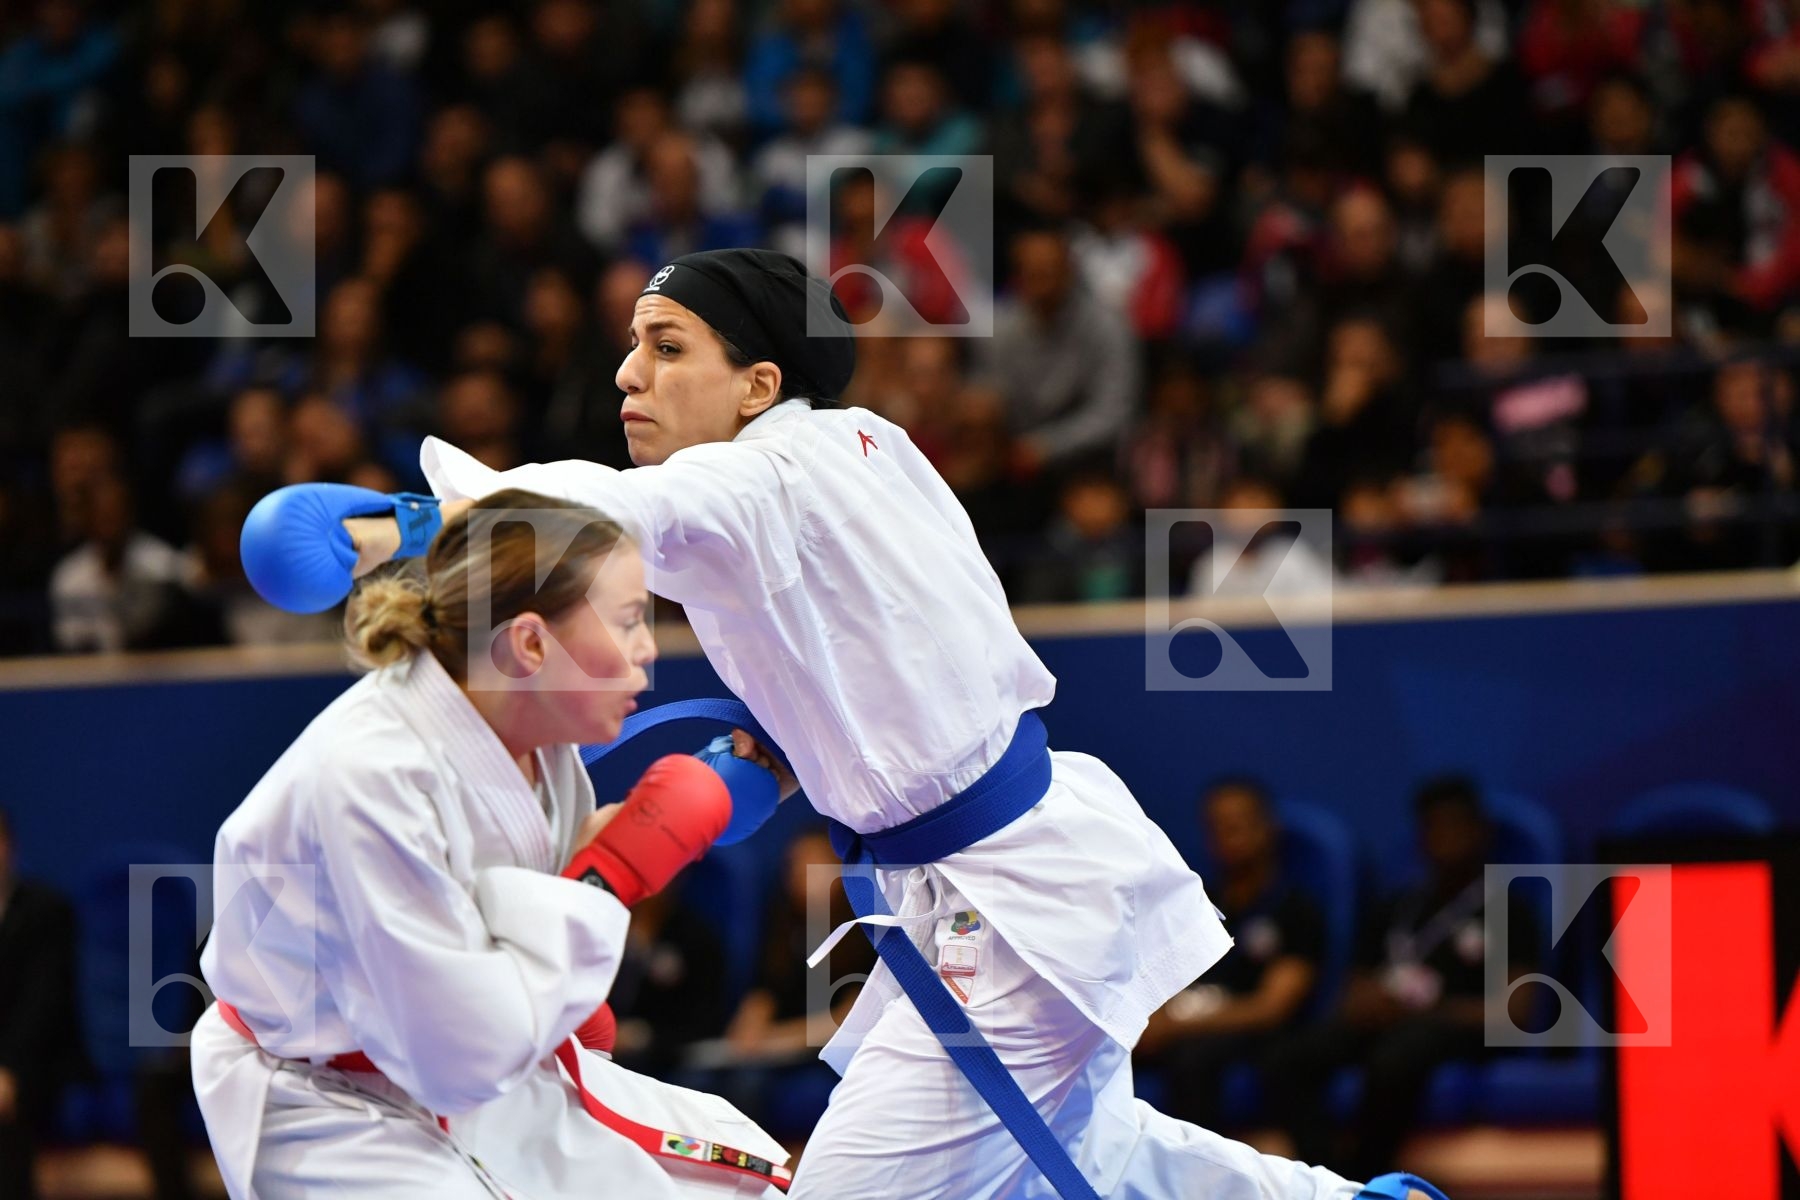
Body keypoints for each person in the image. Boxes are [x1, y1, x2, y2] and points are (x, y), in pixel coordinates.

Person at [250, 248, 1446, 1200]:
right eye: (631, 348)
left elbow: (610, 514)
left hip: (1009, 906)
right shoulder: (869, 451)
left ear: (759, 384)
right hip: (1006, 869)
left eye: (666, 347)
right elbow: (864, 661)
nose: (627, 376)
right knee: (1091, 1158)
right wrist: (774, 756)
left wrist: (396, 530)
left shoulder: (762, 477)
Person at [194, 489, 795, 1199]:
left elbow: (508, 883)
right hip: (327, 1100)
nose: (647, 648)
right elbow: (455, 1057)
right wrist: (608, 875)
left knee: (743, 1184)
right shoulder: (371, 780)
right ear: (530, 644)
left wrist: (672, 815)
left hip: (470, 1066)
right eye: (630, 620)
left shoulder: (533, 736)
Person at [1263, 776, 1535, 1181]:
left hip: (1451, 1029)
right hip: (1387, 1022)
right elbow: (1354, 989)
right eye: (1434, 827)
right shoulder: (1398, 906)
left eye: (1456, 825)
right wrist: (1368, 1002)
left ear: (1480, 832)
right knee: (1286, 1058)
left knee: (1396, 1057)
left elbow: (1514, 1012)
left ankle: (1365, 1177)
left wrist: (1428, 1010)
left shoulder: (1510, 910)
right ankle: (1329, 1174)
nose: (1445, 837)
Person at [1136, 778, 1325, 1132]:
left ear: (1268, 828)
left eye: (1238, 825)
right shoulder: (1195, 903)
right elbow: (1159, 975)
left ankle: (1198, 1168)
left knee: (1192, 1059)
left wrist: (1175, 1027)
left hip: (1251, 1036)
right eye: (1217, 827)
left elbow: (1271, 1009)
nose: (1228, 837)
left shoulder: (1295, 909)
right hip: (1185, 1023)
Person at [0, 805, 85, 1200]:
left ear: (9, 846)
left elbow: (44, 1007)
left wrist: (9, 1071)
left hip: (37, 1064)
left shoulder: (47, 910)